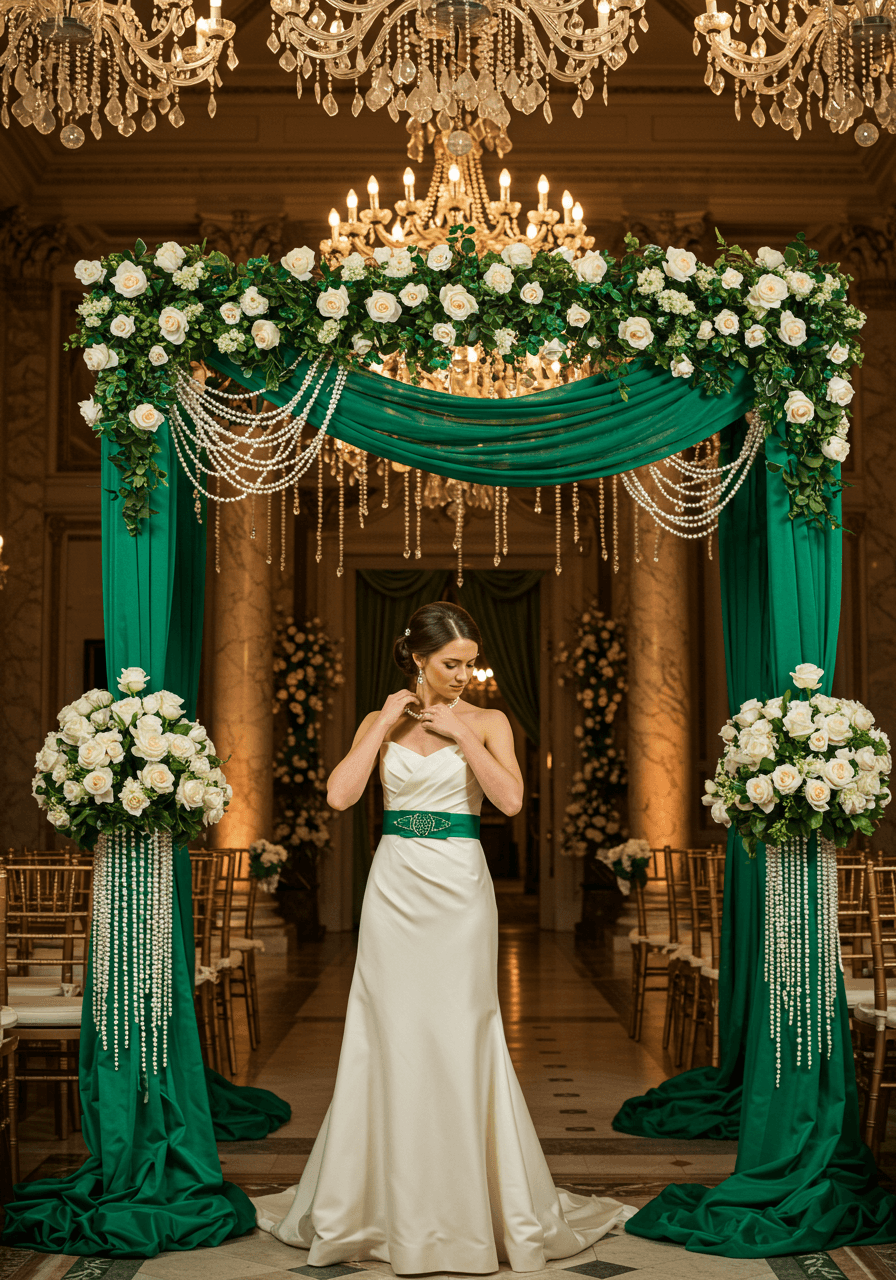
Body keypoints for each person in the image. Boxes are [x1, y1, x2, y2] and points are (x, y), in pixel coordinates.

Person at [253, 601, 634, 1272]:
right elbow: (340, 796)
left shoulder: (489, 720)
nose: (463, 675)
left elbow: (510, 801)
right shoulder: (380, 719)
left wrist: (461, 733)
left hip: (459, 887)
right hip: (394, 885)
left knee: (462, 1029)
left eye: (469, 664)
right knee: (387, 1030)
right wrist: (383, 724)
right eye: (451, 664)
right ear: (417, 658)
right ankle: (372, 1205)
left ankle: (466, 1204)